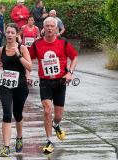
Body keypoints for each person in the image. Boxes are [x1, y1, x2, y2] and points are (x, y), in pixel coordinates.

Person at [29, 17, 78, 154]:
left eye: (52, 26)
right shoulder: (37, 44)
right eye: (47, 26)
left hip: (60, 81)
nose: (50, 28)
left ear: (56, 29)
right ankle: (49, 141)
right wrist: (26, 73)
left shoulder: (63, 42)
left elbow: (74, 57)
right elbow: (28, 58)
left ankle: (56, 125)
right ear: (43, 28)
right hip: (45, 81)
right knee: (46, 110)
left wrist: (70, 73)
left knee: (58, 116)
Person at [0, 23, 32, 157]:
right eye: (8, 32)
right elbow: (1, 63)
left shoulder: (22, 48)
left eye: (12, 33)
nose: (9, 35)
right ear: (5, 34)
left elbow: (30, 67)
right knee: (6, 113)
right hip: (5, 86)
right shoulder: (1, 49)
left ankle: (19, 137)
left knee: (17, 114)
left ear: (17, 34)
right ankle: (5, 146)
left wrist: (19, 56)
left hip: (20, 86)